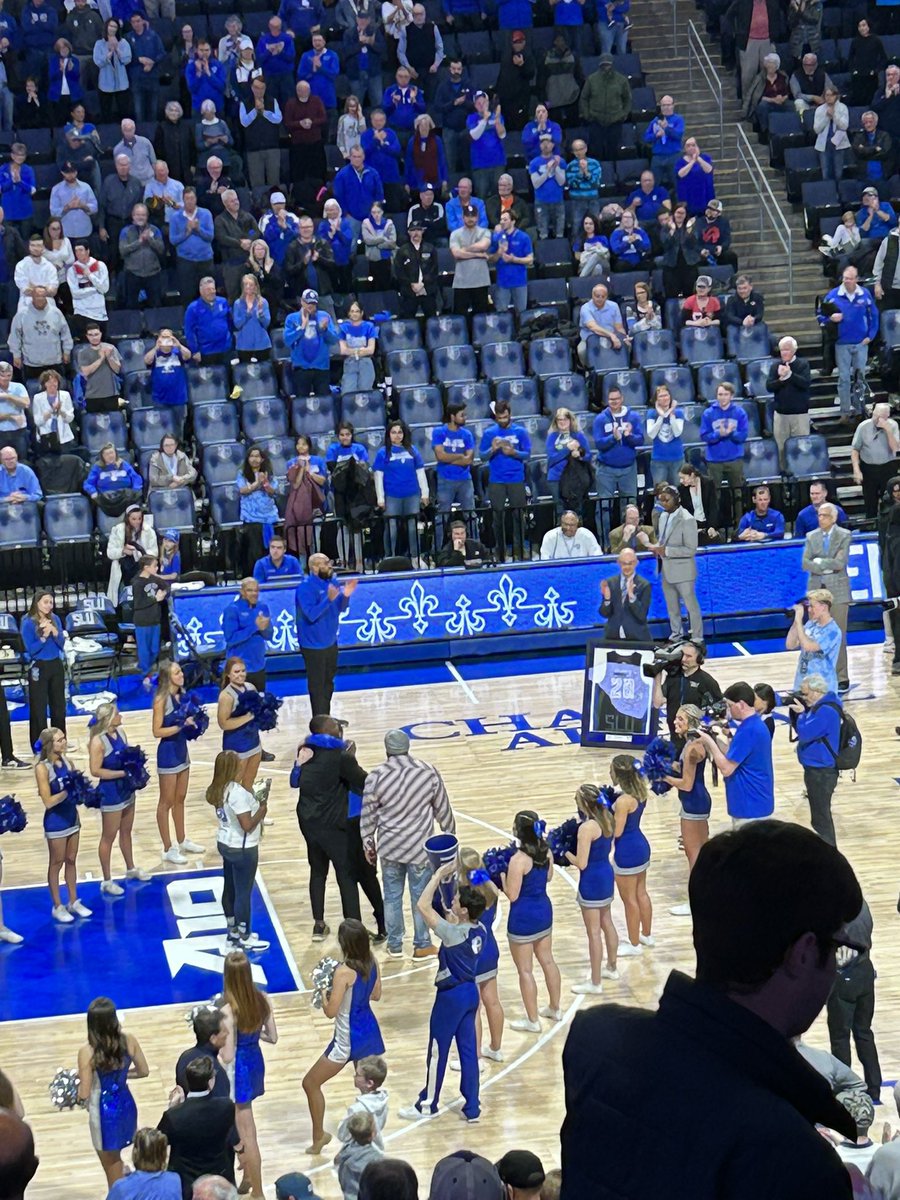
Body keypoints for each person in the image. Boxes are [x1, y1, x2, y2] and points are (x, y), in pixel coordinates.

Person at [561, 819, 863, 1198]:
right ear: (802, 954)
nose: (834, 968)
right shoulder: (797, 1159)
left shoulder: (595, 1040)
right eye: (835, 950)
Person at [397, 864, 487, 1123]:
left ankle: (427, 1104)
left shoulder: (452, 934)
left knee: (438, 1050)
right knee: (468, 1051)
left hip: (451, 997)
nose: (453, 901)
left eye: (457, 900)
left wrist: (436, 876)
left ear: (464, 910)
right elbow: (454, 920)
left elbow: (422, 907)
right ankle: (472, 1108)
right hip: (471, 992)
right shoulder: (478, 930)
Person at [361, 727, 454, 959]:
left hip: (390, 848)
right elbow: (443, 808)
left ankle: (394, 945)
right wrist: (450, 835)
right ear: (408, 747)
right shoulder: (428, 772)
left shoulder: (376, 776)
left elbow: (368, 814)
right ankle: (422, 944)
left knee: (391, 895)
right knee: (420, 897)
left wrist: (367, 843)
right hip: (420, 849)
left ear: (387, 750)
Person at [301, 918, 384, 1155]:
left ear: (344, 943)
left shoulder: (343, 972)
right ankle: (371, 1142)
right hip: (368, 1031)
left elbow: (330, 1012)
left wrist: (323, 992)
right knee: (368, 1092)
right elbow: (376, 995)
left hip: (346, 1039)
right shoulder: (372, 961)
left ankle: (319, 1136)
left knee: (310, 1083)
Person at [292, 715, 371, 938]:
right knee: (346, 874)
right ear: (327, 731)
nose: (340, 729)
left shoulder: (306, 749)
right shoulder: (341, 757)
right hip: (333, 826)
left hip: (309, 823)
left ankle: (318, 924)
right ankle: (355, 929)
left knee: (317, 871)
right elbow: (364, 781)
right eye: (336, 726)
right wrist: (351, 758)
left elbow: (294, 781)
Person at [219, 951, 278, 1198]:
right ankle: (246, 1177)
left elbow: (228, 1055)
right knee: (240, 1126)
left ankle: (258, 1191)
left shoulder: (228, 1010)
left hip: (238, 1070)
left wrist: (216, 1041)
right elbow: (272, 1037)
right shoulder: (262, 998)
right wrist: (253, 1036)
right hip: (255, 1061)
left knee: (246, 1133)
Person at [77, 997, 149, 1187]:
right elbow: (143, 1071)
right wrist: (124, 1077)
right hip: (126, 1105)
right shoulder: (129, 1040)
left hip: (103, 1113)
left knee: (112, 1171)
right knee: (116, 1160)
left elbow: (84, 1093)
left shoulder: (87, 1052)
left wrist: (77, 1088)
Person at [501, 810, 561, 1032]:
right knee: (547, 960)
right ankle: (555, 1008)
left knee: (525, 970)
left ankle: (533, 1020)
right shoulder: (546, 852)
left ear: (518, 832)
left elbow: (513, 895)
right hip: (544, 912)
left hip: (523, 919)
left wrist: (502, 879)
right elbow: (549, 877)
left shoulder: (518, 860)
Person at [206, 750, 269, 952]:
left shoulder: (217, 788)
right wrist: (262, 810)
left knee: (230, 888)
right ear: (232, 768)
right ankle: (245, 935)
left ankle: (232, 932)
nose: (242, 765)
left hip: (225, 843)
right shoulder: (237, 793)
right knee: (243, 892)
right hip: (243, 848)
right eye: (238, 763)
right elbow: (247, 825)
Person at [88, 701, 150, 896]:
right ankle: (106, 880)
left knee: (126, 831)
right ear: (109, 718)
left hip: (127, 790)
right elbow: (95, 770)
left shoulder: (121, 733)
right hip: (111, 794)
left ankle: (130, 868)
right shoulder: (98, 741)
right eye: (118, 714)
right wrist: (122, 774)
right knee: (108, 837)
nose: (121, 716)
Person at [159, 1056, 239, 1200]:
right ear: (210, 1082)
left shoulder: (174, 1116)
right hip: (219, 1180)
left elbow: (158, 1141)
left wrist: (173, 1107)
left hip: (187, 1184)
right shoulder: (227, 1107)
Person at [564, 784, 618, 994]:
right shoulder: (608, 819)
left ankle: (595, 982)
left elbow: (581, 863)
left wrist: (563, 852)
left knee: (593, 932)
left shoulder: (586, 829)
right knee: (607, 922)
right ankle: (612, 967)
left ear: (584, 804)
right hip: (606, 874)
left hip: (591, 881)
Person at [698, 681, 775, 827]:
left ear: (740, 704)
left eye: (729, 705)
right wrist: (714, 739)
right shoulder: (752, 725)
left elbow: (727, 769)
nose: (727, 710)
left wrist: (709, 742)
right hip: (751, 802)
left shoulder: (748, 730)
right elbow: (734, 754)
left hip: (751, 806)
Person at [827, 899, 881, 1105]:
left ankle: (845, 1092)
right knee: (864, 1032)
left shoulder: (836, 913)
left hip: (845, 975)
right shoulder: (864, 906)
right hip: (865, 971)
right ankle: (874, 1088)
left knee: (840, 1037)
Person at [153, 661, 204, 869]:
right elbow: (157, 731)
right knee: (166, 802)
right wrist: (180, 725)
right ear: (167, 678)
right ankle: (168, 848)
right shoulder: (161, 700)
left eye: (180, 671)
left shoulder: (182, 696)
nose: (181, 674)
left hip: (182, 751)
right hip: (167, 754)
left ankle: (182, 840)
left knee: (180, 798)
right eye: (176, 672)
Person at [35, 726, 87, 924]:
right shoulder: (42, 768)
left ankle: (73, 901)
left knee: (71, 859)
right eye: (59, 740)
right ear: (49, 744)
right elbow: (47, 801)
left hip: (72, 817)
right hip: (56, 821)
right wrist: (68, 791)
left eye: (64, 739)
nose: (64, 742)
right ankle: (58, 906)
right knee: (56, 863)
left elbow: (76, 790)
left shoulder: (68, 761)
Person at [663, 704, 712, 914]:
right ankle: (707, 896)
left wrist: (661, 776)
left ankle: (694, 903)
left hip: (693, 802)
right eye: (676, 718)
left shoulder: (692, 748)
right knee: (700, 853)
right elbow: (686, 770)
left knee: (693, 854)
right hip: (699, 800)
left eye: (681, 719)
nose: (676, 722)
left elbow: (687, 784)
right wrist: (672, 766)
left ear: (691, 722)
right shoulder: (694, 742)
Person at [639, 485, 703, 643]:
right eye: (661, 501)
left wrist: (665, 551)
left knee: (690, 607)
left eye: (666, 500)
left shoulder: (687, 519)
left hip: (684, 571)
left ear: (676, 499)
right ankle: (676, 636)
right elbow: (663, 541)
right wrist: (656, 548)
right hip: (666, 569)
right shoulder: (662, 517)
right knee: (672, 607)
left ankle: (697, 637)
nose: (663, 504)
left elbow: (691, 549)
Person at [295, 554, 357, 718]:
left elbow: (340, 609)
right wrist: (328, 600)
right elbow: (311, 614)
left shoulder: (333, 582)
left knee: (328, 682)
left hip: (330, 641)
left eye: (329, 562)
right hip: (313, 644)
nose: (330, 566)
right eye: (325, 563)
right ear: (314, 568)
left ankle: (326, 717)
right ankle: (319, 720)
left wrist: (346, 595)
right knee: (317, 685)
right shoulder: (305, 588)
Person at [817, 265, 879, 423]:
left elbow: (875, 316)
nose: (847, 281)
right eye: (845, 278)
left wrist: (870, 336)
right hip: (841, 343)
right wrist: (830, 318)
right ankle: (844, 411)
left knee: (860, 378)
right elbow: (820, 314)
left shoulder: (864, 294)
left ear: (856, 279)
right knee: (844, 378)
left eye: (850, 278)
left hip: (860, 343)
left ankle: (859, 409)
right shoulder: (834, 295)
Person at [802, 502, 851, 693]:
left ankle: (841, 677)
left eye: (824, 515)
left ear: (833, 518)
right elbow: (806, 563)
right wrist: (825, 565)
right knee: (815, 635)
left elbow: (840, 563)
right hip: (815, 592)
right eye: (819, 515)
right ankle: (818, 678)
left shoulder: (844, 535)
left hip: (838, 592)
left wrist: (820, 561)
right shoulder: (810, 536)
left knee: (839, 635)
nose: (820, 518)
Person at [791, 675, 842, 846]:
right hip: (818, 769)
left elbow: (805, 733)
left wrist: (800, 715)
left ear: (817, 691)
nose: (804, 698)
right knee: (819, 816)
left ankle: (829, 852)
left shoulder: (825, 711)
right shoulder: (824, 707)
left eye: (806, 694)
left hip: (821, 771)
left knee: (821, 818)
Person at [479, 400, 530, 563]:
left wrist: (514, 452)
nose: (502, 420)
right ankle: (500, 554)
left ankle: (519, 552)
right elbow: (482, 456)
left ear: (510, 414)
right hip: (497, 480)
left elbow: (527, 454)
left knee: (518, 517)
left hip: (516, 478)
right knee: (497, 517)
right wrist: (492, 449)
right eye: (499, 418)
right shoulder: (489, 433)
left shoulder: (520, 432)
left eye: (505, 417)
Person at [592, 384, 642, 548]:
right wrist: (613, 438)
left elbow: (640, 440)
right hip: (606, 470)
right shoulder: (600, 419)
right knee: (604, 507)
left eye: (617, 399)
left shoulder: (633, 417)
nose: (614, 402)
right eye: (611, 399)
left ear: (622, 399)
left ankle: (630, 543)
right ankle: (605, 544)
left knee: (630, 508)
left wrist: (629, 436)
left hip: (628, 468)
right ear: (608, 400)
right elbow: (599, 444)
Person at [22, 589, 67, 750]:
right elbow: (30, 649)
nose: (49, 605)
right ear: (37, 603)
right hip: (38, 667)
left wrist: (55, 633)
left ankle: (60, 741)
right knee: (38, 708)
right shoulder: (27, 622)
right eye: (45, 602)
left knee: (59, 706)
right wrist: (42, 637)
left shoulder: (54, 619)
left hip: (56, 664)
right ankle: (39, 744)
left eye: (51, 602)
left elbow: (62, 644)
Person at [699, 382, 748, 518]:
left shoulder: (739, 413)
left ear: (731, 396)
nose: (723, 397)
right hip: (715, 460)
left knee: (737, 494)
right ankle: (715, 528)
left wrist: (731, 433)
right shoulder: (708, 413)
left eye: (726, 394)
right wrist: (719, 434)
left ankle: (739, 526)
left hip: (735, 459)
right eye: (720, 394)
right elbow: (704, 435)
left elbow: (743, 436)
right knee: (714, 495)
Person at [432, 402, 475, 546]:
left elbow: (469, 460)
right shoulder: (439, 432)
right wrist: (459, 457)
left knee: (471, 516)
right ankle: (437, 551)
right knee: (442, 517)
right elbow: (440, 457)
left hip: (465, 480)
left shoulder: (467, 434)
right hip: (446, 479)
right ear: (452, 417)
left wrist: (449, 457)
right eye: (462, 415)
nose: (465, 418)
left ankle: (476, 547)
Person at [217, 657, 263, 792]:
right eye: (236, 672)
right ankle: (228, 811)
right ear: (228, 675)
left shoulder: (251, 687)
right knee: (233, 786)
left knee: (249, 782)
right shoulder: (226, 696)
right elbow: (223, 724)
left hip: (254, 742)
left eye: (243, 671)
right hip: (236, 746)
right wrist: (248, 717)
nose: (241, 674)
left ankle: (246, 813)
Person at [786, 589, 841, 695]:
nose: (809, 610)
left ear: (823, 607)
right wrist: (796, 622)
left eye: (812, 606)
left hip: (821, 688)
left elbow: (808, 646)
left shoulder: (833, 631)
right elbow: (790, 645)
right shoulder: (810, 624)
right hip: (802, 684)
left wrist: (799, 620)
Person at [578, 54, 631, 162]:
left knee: (613, 151)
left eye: (608, 65)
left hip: (615, 120)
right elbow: (584, 98)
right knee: (595, 151)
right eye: (603, 65)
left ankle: (613, 174)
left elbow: (628, 99)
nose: (606, 67)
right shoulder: (591, 79)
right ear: (599, 65)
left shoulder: (621, 80)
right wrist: (587, 115)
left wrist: (624, 114)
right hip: (596, 120)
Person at [851, 403, 899, 519]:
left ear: (888, 416)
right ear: (873, 413)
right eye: (876, 416)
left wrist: (888, 431)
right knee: (870, 501)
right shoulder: (863, 426)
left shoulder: (893, 425)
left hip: (888, 467)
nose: (879, 419)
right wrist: (856, 470)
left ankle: (889, 524)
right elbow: (855, 450)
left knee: (889, 501)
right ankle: (871, 524)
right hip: (868, 468)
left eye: (883, 416)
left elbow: (896, 448)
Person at [767, 335, 811, 463]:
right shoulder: (775, 367)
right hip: (781, 414)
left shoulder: (802, 364)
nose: (784, 353)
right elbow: (769, 386)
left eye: (787, 349)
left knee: (801, 447)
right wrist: (781, 380)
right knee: (781, 448)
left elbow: (805, 383)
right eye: (782, 350)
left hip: (799, 414)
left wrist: (790, 375)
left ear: (794, 350)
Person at [106, 1128, 181, 1200]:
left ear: (135, 1154)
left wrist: (127, 1179)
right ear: (163, 1155)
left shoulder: (121, 1187)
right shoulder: (174, 1181)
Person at [174, 1009, 230, 1101]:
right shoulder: (214, 1070)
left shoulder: (184, 1057)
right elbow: (222, 1107)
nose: (227, 1032)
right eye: (223, 1030)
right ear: (213, 1039)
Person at [598, 549, 652, 643]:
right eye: (624, 563)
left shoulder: (644, 585)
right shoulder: (611, 583)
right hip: (613, 638)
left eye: (630, 563)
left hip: (637, 639)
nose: (627, 567)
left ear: (636, 563)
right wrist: (607, 599)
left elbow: (642, 615)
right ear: (618, 563)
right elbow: (604, 614)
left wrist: (632, 597)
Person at [337, 1056, 389, 1149]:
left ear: (369, 1083)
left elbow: (342, 1135)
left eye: (357, 1075)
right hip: (375, 1149)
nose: (354, 1076)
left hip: (357, 1152)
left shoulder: (356, 1109)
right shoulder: (383, 1101)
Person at [488, 209, 533, 316]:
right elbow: (491, 259)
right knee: (501, 313)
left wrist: (514, 259)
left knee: (522, 313)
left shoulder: (523, 237)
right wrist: (499, 253)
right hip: (503, 282)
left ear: (513, 221)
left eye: (505, 219)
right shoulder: (496, 237)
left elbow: (530, 260)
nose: (502, 222)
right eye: (501, 219)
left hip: (519, 281)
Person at [450, 204, 491, 316]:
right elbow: (457, 254)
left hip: (480, 281)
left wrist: (465, 249)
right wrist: (478, 255)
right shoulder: (455, 234)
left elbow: (483, 246)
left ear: (477, 217)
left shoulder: (484, 232)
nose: (470, 219)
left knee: (481, 317)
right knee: (460, 317)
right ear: (463, 217)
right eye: (467, 216)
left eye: (473, 216)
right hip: (461, 283)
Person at [393, 221, 439, 319]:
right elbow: (399, 272)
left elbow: (434, 269)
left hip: (428, 290)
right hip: (409, 291)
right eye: (413, 230)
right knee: (408, 321)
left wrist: (423, 283)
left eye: (418, 230)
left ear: (422, 231)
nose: (416, 233)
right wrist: (411, 284)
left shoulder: (430, 248)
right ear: (409, 232)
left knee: (432, 320)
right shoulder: (402, 251)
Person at [645, 383, 685, 486]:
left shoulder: (679, 413)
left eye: (666, 395)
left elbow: (677, 433)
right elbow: (651, 434)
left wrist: (671, 414)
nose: (664, 398)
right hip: (659, 459)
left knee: (678, 490)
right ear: (656, 399)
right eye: (661, 396)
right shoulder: (651, 413)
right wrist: (661, 416)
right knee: (660, 491)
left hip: (677, 458)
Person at [674, 137, 715, 217]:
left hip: (704, 197)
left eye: (693, 145)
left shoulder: (705, 158)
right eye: (688, 146)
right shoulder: (680, 161)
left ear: (697, 146)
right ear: (684, 148)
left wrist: (698, 159)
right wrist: (692, 162)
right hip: (688, 198)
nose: (691, 148)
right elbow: (680, 174)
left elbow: (709, 170)